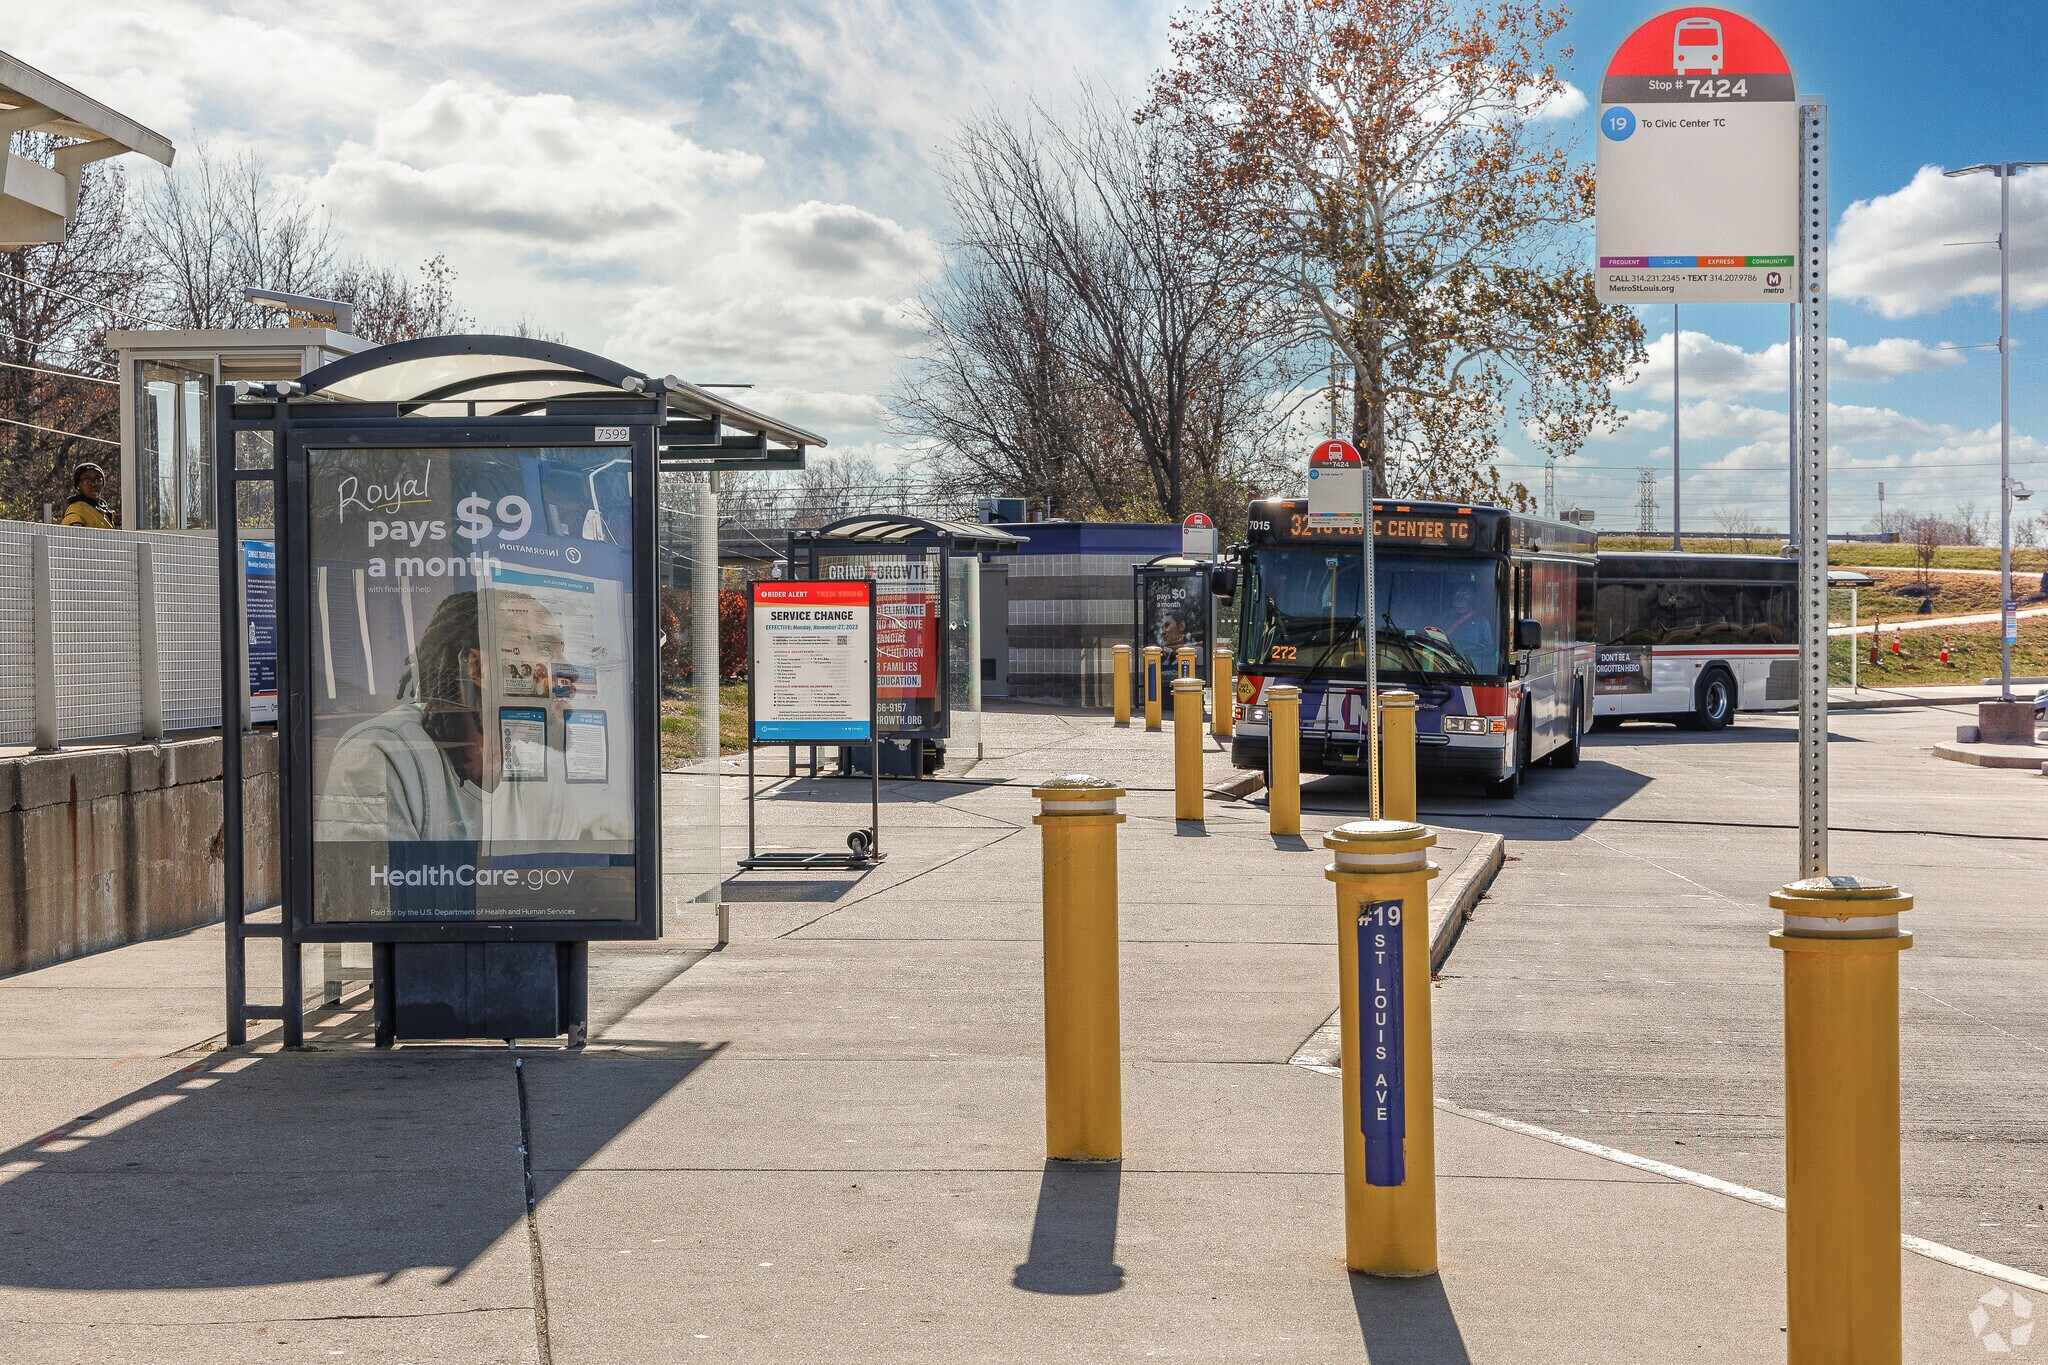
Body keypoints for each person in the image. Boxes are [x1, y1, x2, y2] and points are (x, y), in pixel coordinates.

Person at [58, 462, 115, 529]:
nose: (93, 484)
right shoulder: (78, 511)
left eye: (97, 480)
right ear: (78, 486)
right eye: (87, 481)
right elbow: (72, 535)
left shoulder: (103, 511)